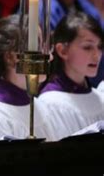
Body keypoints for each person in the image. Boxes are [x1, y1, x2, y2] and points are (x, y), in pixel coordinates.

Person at [0, 15, 55, 140]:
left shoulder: (39, 105)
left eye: (47, 47)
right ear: (10, 57)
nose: (50, 57)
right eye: (38, 47)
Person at [39, 12, 104, 140]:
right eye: (87, 47)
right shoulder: (50, 103)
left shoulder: (99, 97)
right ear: (63, 50)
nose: (97, 56)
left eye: (100, 47)